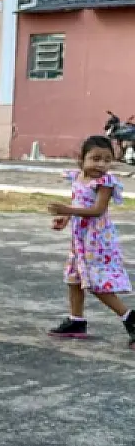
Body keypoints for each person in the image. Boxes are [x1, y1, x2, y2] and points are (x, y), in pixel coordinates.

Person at [47, 135, 135, 348]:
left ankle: (130, 318)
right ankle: (76, 321)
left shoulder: (104, 183)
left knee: (97, 283)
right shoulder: (77, 177)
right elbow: (78, 202)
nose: (101, 164)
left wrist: (67, 210)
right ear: (82, 159)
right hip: (80, 239)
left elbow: (97, 210)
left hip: (97, 240)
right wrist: (65, 219)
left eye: (107, 160)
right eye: (95, 158)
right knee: (74, 278)